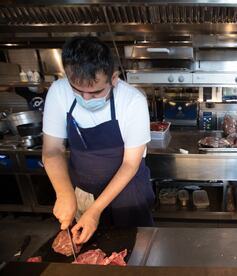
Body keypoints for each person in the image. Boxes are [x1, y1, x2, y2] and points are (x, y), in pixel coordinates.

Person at [42, 36, 155, 244]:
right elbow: (52, 150)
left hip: (127, 192)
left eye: (95, 92)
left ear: (113, 78)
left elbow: (131, 163)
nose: (85, 98)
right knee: (91, 251)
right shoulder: (58, 92)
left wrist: (95, 211)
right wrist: (64, 193)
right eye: (77, 90)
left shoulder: (132, 101)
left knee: (133, 249)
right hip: (84, 190)